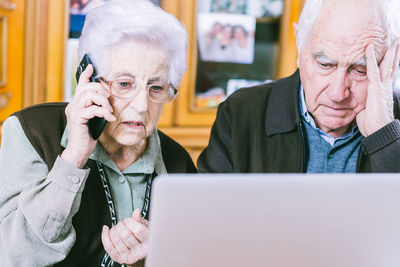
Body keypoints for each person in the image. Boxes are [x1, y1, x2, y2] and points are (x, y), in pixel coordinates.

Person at [0, 0, 196, 266]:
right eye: (124, 84)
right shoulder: (33, 132)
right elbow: (13, 256)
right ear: (88, 78)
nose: (141, 107)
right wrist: (74, 157)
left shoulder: (177, 161)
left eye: (157, 88)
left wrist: (156, 257)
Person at [198, 0, 400, 173]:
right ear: (299, 45)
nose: (338, 94)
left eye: (360, 70)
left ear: (392, 61)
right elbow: (208, 212)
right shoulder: (240, 112)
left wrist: (384, 137)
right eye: (325, 64)